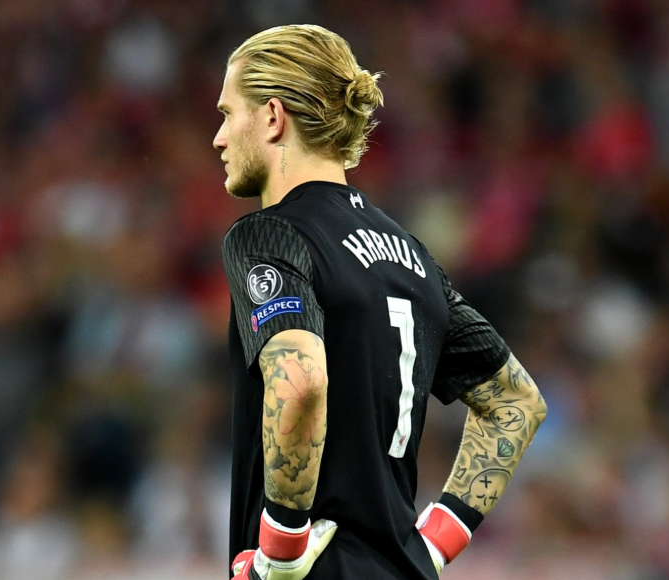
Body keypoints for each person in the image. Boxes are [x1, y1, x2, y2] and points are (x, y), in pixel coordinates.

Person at [214, 25, 548, 580]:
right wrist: (433, 544)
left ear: (272, 117)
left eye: (228, 114)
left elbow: (300, 382)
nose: (220, 138)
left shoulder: (268, 236)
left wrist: (282, 550)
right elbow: (515, 402)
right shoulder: (412, 256)